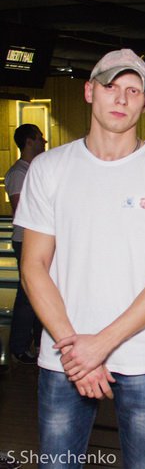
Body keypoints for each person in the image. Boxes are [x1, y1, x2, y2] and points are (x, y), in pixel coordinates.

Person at [14, 48, 145, 468]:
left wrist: (99, 345)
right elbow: (33, 267)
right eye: (110, 86)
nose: (121, 98)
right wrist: (76, 351)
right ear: (89, 91)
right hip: (64, 360)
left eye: (133, 90)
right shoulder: (49, 168)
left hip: (141, 360)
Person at [5, 123, 45, 364]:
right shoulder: (18, 173)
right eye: (40, 138)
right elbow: (21, 209)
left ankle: (39, 341)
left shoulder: (33, 169)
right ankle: (18, 346)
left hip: (38, 240)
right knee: (27, 295)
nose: (44, 142)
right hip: (25, 241)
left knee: (40, 292)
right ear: (29, 142)